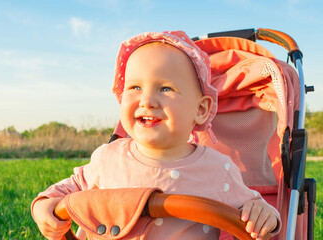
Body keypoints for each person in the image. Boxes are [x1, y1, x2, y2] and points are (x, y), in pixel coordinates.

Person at [31, 31, 281, 240]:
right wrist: (44, 205)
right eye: (135, 87)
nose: (147, 100)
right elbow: (67, 190)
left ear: (201, 109)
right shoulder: (107, 158)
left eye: (165, 88)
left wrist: (263, 214)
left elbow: (256, 211)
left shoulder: (218, 170)